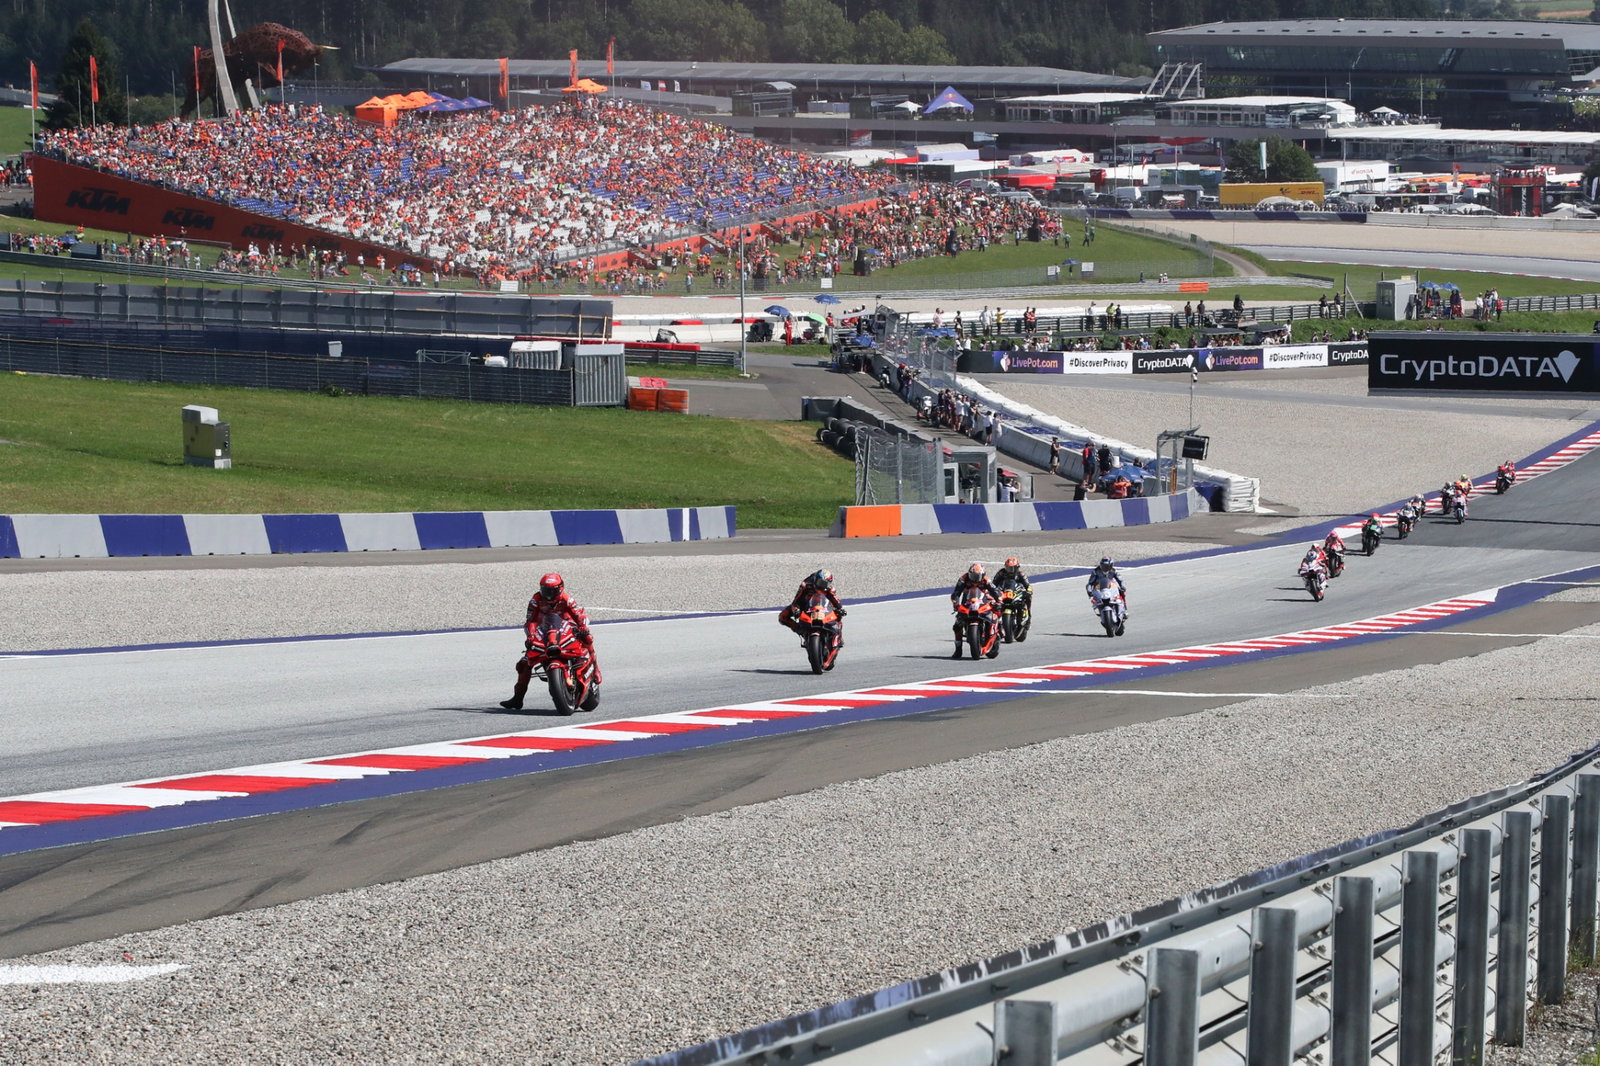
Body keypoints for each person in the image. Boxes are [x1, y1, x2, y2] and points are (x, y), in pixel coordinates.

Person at [502, 572, 599, 710]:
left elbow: (577, 616)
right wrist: (530, 636)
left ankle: (596, 669)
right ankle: (518, 698)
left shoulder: (567, 599)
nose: (548, 594)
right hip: (546, 631)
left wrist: (582, 628)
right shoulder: (536, 600)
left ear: (560, 588)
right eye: (545, 590)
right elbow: (531, 621)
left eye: (552, 590)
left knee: (587, 638)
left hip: (568, 626)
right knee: (524, 663)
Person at [780, 568, 846, 644]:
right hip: (806, 605)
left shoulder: (829, 589)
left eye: (824, 584)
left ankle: (837, 635)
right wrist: (796, 609)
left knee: (839, 614)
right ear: (815, 579)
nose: (821, 586)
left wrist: (840, 609)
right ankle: (801, 631)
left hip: (824, 607)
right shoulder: (805, 585)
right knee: (782, 617)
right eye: (820, 583)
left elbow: (836, 601)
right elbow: (796, 600)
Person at [950, 562, 996, 658]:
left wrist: (998, 600)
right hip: (967, 603)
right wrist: (956, 604)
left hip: (982, 603)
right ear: (969, 574)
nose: (975, 579)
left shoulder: (986, 581)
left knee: (994, 615)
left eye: (977, 576)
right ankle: (958, 649)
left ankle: (997, 631)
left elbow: (996, 592)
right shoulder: (963, 579)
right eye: (973, 576)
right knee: (957, 625)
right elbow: (956, 593)